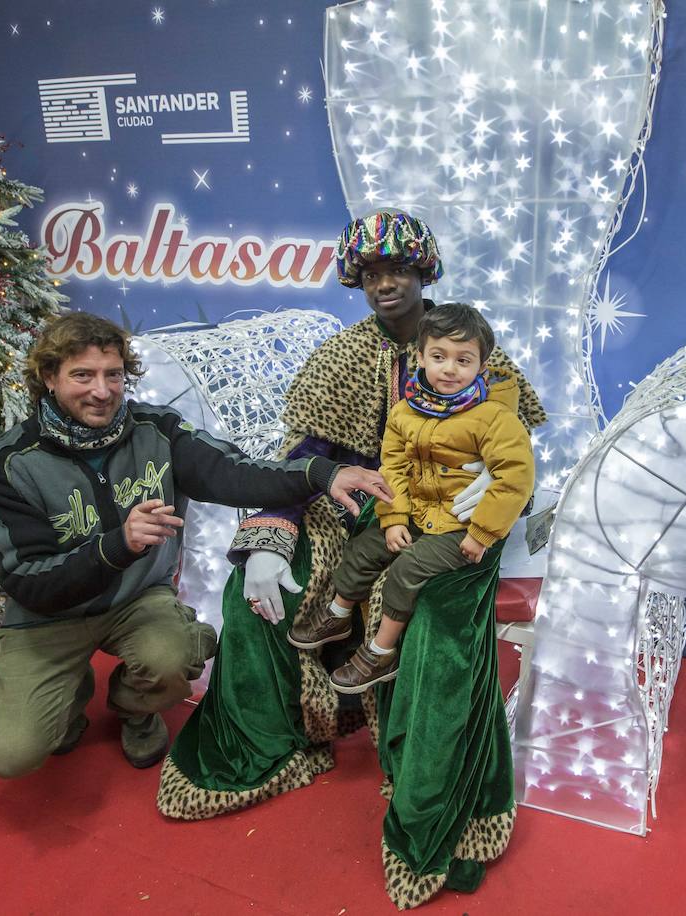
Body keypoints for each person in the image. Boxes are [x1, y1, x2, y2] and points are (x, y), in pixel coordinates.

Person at [157, 211, 546, 908]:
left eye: (398, 269)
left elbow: (514, 446)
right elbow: (303, 458)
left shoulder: (476, 348)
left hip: (453, 516)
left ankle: (443, 806)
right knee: (255, 589)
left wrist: (490, 492)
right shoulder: (341, 356)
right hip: (354, 504)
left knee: (432, 627)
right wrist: (271, 536)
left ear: (424, 271)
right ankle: (286, 731)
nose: (386, 283)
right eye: (371, 274)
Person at [0, 312, 391, 779]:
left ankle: (134, 706)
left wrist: (321, 473)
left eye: (113, 374)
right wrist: (116, 545)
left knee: (177, 654)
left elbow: (233, 474)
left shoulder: (155, 429)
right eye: (82, 375)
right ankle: (61, 692)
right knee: (13, 756)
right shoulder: (6, 463)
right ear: (48, 378)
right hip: (48, 620)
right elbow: (26, 582)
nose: (102, 391)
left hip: (138, 601)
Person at [287, 302, 534, 694]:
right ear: (420, 357)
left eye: (463, 360)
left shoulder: (493, 418)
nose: (450, 369)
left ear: (482, 367)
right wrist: (394, 517)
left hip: (460, 524)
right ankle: (338, 614)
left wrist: (482, 532)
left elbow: (515, 479)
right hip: (418, 512)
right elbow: (394, 469)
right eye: (439, 357)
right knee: (363, 549)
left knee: (406, 572)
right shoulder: (406, 412)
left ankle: (380, 652)